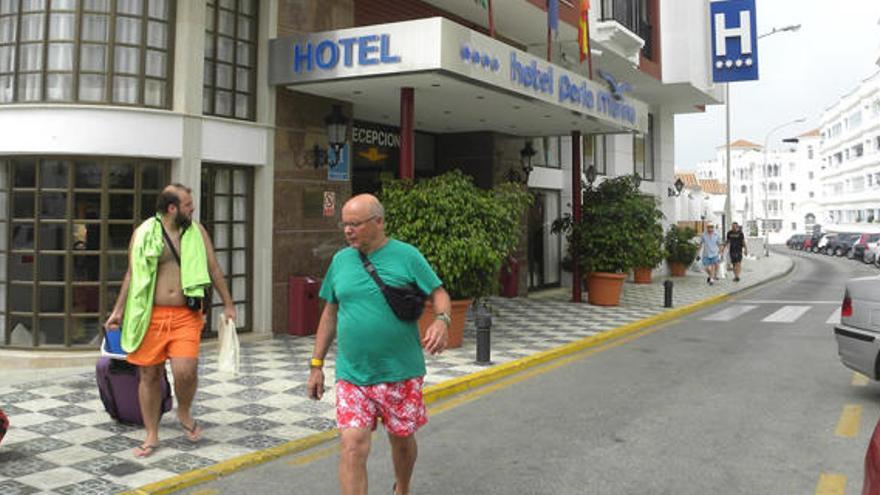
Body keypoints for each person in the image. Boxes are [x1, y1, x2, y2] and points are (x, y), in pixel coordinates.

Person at [307, 194, 451, 495]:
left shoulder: (407, 256)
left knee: (401, 441)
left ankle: (403, 487)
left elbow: (439, 294)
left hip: (401, 371)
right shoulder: (340, 261)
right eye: (344, 224)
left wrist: (442, 321)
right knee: (352, 446)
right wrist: (316, 365)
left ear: (378, 222)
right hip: (352, 373)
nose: (348, 231)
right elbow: (330, 313)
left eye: (355, 224)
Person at [104, 183, 236, 458]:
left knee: (185, 371)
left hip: (186, 315)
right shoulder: (143, 234)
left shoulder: (197, 232)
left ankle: (184, 410)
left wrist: (228, 303)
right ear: (172, 208)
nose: (193, 208)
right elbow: (132, 273)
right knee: (149, 374)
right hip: (149, 315)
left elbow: (213, 267)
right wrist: (118, 311)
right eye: (188, 205)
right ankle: (152, 432)